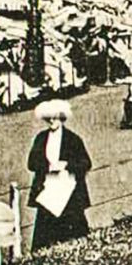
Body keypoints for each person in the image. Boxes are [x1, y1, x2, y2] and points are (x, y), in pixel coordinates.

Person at [27, 99, 92, 250]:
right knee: (45, 232)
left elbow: (85, 163)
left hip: (68, 191)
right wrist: (48, 166)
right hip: (47, 190)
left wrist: (67, 165)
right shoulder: (41, 138)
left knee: (73, 230)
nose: (52, 121)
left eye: (55, 117)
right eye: (48, 118)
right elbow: (31, 163)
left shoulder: (73, 139)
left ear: (62, 118)